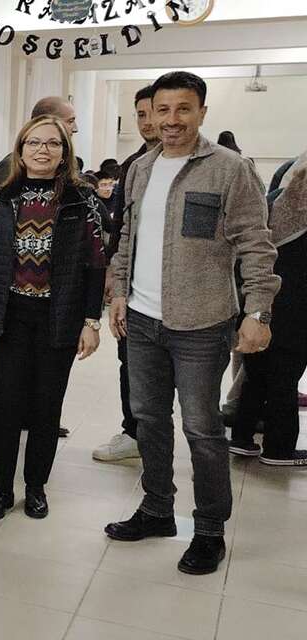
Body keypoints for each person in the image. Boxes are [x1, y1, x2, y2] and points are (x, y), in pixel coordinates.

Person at [106, 72, 279, 576]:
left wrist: (258, 310)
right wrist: (119, 295)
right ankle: (157, 509)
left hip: (201, 324)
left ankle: (208, 530)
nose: (171, 120)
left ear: (202, 112)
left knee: (202, 429)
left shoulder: (229, 170)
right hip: (141, 319)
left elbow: (256, 244)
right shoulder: (140, 168)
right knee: (149, 419)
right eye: (162, 110)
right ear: (151, 113)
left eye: (183, 109)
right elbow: (126, 241)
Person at [0, 115, 106, 521]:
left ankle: (35, 488)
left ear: (64, 152)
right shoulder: (4, 196)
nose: (42, 150)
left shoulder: (81, 199)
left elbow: (96, 264)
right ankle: (1, 489)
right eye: (34, 143)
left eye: (52, 143)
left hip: (59, 315)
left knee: (47, 407)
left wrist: (91, 321)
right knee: (5, 406)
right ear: (21, 149)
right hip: (11, 315)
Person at [92, 84, 159, 463]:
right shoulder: (133, 164)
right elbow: (120, 229)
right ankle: (133, 431)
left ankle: (153, 434)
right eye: (142, 114)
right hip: (133, 283)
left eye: (156, 111)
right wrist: (113, 277)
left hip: (181, 291)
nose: (151, 121)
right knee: (130, 360)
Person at [228, 162, 307, 465]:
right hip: (295, 314)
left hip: (257, 307)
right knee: (284, 381)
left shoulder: (273, 202)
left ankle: (242, 438)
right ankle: (279, 448)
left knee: (256, 375)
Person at [0, 97, 79, 190]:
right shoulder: (7, 168)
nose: (75, 129)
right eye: (70, 121)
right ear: (45, 120)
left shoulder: (79, 186)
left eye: (54, 144)